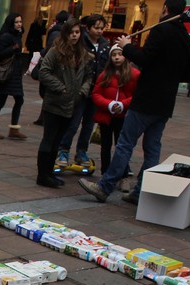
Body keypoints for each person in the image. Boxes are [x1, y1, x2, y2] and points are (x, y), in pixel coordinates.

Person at [79, 0, 190, 204]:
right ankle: (141, 191)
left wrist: (127, 47)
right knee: (152, 148)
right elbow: (188, 75)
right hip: (165, 102)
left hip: (146, 99)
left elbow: (144, 58)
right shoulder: (187, 40)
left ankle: (105, 187)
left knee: (125, 144)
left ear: (165, 9)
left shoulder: (161, 30)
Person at [35, 18, 92, 188]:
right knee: (49, 138)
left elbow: (89, 76)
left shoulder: (82, 54)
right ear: (65, 33)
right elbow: (43, 72)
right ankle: (42, 174)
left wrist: (82, 91)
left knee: (58, 140)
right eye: (71, 32)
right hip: (55, 102)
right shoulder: (55, 51)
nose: (74, 36)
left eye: (77, 32)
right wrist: (60, 88)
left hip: (72, 103)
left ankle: (49, 172)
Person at [56, 14, 110, 170]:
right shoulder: (81, 43)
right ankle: (64, 150)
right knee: (73, 123)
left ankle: (81, 151)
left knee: (89, 125)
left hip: (97, 92)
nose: (99, 31)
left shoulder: (105, 45)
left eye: (102, 28)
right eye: (96, 28)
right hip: (80, 90)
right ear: (88, 28)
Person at [91, 44, 138, 175]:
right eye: (114, 55)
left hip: (124, 117)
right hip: (106, 116)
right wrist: (109, 104)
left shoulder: (134, 74)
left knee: (121, 145)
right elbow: (96, 93)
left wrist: (123, 105)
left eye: (120, 54)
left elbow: (137, 95)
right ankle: (105, 171)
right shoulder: (105, 74)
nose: (117, 57)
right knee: (105, 145)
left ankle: (122, 172)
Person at [0, 13, 27, 141]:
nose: (19, 24)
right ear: (11, 23)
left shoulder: (17, 35)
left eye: (20, 21)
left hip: (14, 73)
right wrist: (13, 48)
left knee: (19, 100)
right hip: (6, 73)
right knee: (1, 101)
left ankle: (14, 128)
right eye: (16, 22)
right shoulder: (7, 36)